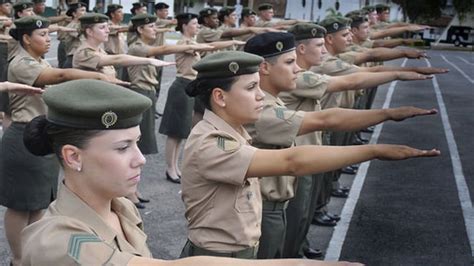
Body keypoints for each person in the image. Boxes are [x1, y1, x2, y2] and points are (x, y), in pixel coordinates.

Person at [20, 79, 364, 266]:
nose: (141, 159)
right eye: (123, 148)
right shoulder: (57, 240)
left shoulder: (119, 207)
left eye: (137, 144)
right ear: (72, 156)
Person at [179, 50, 440, 259]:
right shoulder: (210, 143)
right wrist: (374, 150)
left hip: (239, 250)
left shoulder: (231, 132)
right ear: (220, 97)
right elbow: (292, 161)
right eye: (250, 88)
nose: (260, 96)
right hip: (218, 255)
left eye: (259, 87)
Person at [0, 15, 124, 266]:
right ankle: (18, 258)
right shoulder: (22, 63)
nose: (48, 39)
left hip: (41, 135)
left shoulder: (38, 59)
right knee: (20, 204)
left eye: (49, 34)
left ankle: (30, 252)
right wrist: (98, 78)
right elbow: (61, 76)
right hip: (24, 137)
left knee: (38, 203)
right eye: (42, 35)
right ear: (26, 38)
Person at [127, 13, 212, 206]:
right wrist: (199, 47)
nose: (155, 30)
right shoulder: (137, 47)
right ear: (140, 29)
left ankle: (137, 189)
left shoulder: (185, 42)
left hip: (150, 91)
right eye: (151, 27)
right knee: (138, 143)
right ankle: (132, 191)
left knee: (178, 132)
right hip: (144, 91)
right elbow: (165, 47)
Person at [158, 13, 241, 184]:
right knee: (175, 132)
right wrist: (232, 42)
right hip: (181, 86)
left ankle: (175, 167)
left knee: (182, 132)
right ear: (184, 26)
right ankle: (170, 168)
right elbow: (209, 47)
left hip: (190, 87)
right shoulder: (183, 43)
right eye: (194, 24)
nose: (197, 26)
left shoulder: (191, 42)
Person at [63, 2, 86, 68]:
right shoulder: (70, 26)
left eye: (85, 10)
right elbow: (79, 34)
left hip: (81, 56)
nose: (85, 13)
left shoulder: (81, 25)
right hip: (73, 57)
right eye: (82, 10)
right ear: (74, 14)